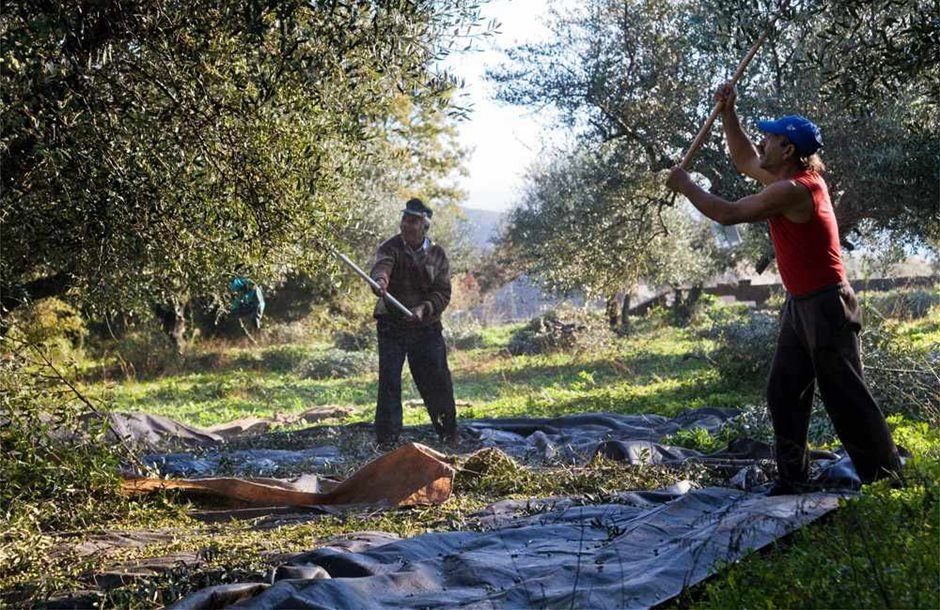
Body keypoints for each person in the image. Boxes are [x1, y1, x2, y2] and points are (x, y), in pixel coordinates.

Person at [666, 83, 901, 494]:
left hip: (827, 306)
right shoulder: (785, 178)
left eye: (770, 138)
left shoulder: (795, 190)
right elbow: (743, 159)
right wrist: (728, 113)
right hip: (802, 304)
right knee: (784, 391)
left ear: (788, 150)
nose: (763, 142)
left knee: (847, 398)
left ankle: (888, 481)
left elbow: (728, 213)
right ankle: (793, 478)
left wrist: (686, 185)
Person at [369, 198, 458, 447]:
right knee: (389, 383)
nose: (406, 225)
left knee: (436, 380)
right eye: (405, 220)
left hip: (426, 327)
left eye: (413, 221)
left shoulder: (437, 255)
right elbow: (382, 267)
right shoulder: (390, 247)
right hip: (392, 325)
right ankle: (386, 440)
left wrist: (423, 309)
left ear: (424, 226)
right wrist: (380, 282)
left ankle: (447, 434)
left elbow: (442, 293)